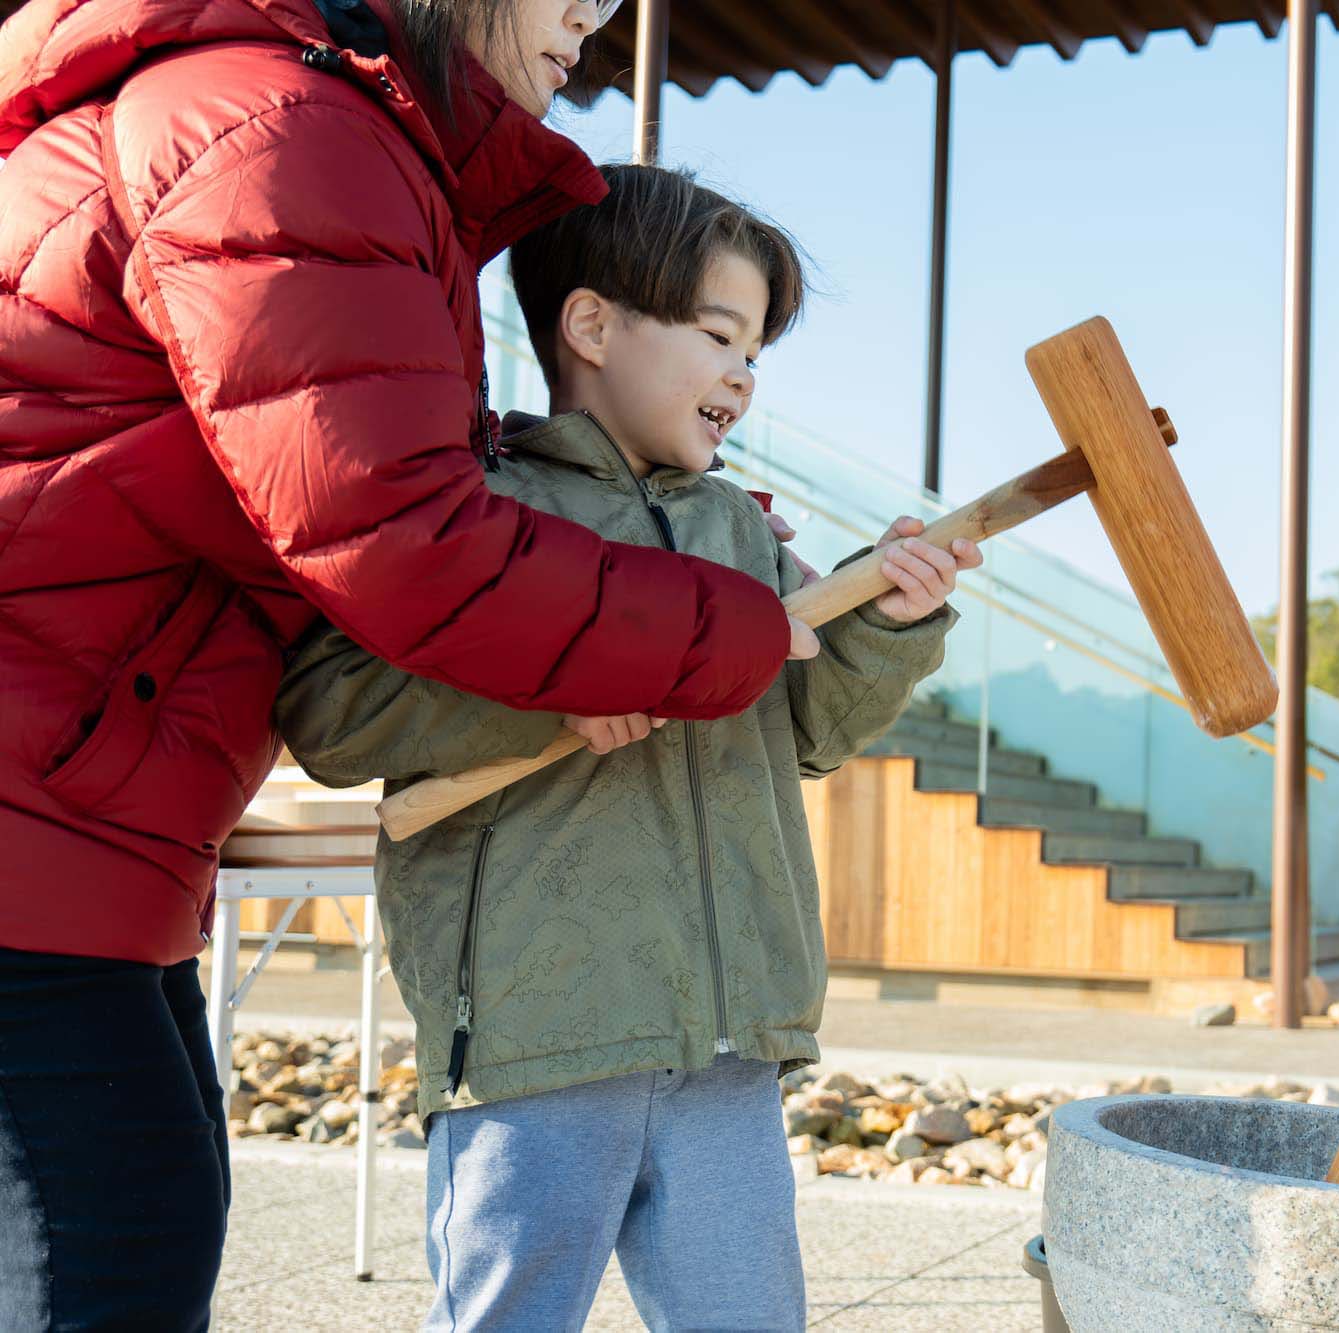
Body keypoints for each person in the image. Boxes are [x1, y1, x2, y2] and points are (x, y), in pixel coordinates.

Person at [0, 1, 812, 1325]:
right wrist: (721, 625)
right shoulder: (280, 129)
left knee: (138, 1233)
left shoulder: (329, 139)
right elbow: (396, 535)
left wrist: (705, 587)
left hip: (87, 816)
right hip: (37, 807)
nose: (595, 16)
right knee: (106, 1259)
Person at [276, 164, 976, 1330]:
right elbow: (333, 715)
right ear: (591, 324)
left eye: (756, 351)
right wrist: (552, 698)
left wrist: (888, 630)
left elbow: (805, 736)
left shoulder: (738, 535)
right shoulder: (481, 518)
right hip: (539, 1040)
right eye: (718, 335)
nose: (744, 377)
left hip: (730, 1043)